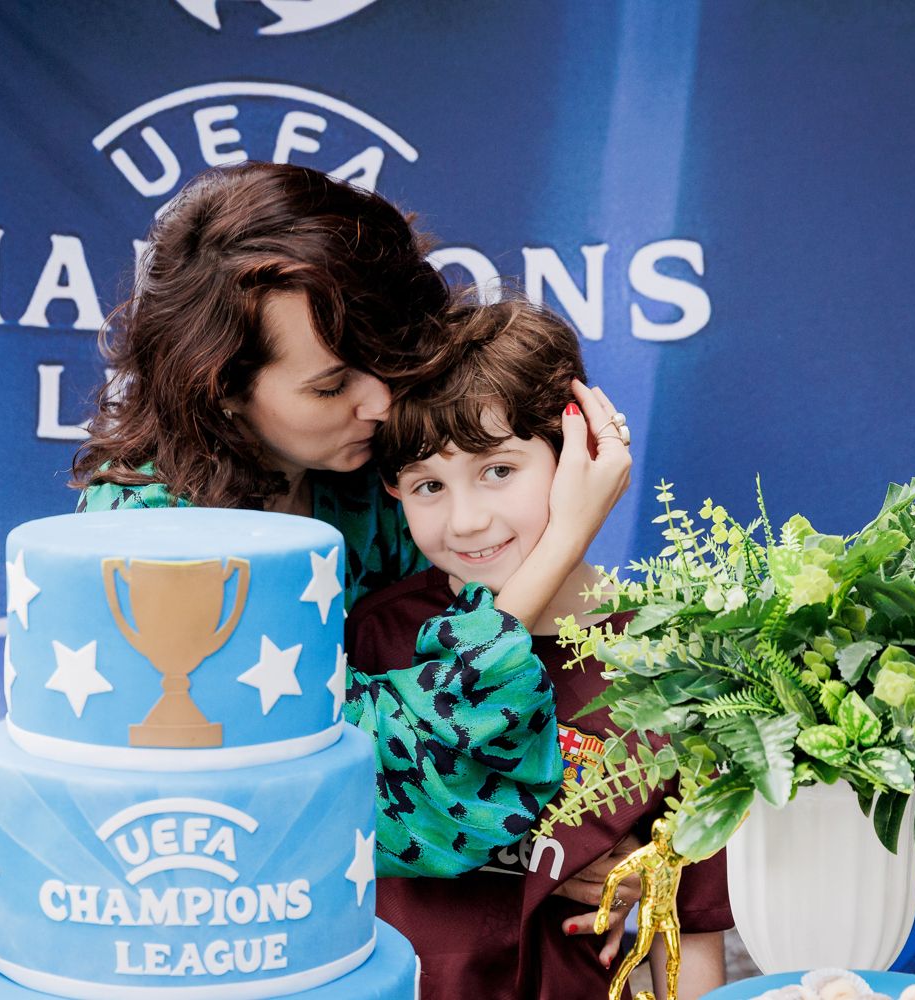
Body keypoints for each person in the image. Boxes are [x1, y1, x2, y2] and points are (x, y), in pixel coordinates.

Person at [72, 162, 631, 877]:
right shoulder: (145, 541)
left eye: (382, 358)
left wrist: (599, 852)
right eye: (330, 386)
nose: (379, 404)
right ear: (220, 391)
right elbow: (388, 799)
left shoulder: (378, 455)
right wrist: (565, 538)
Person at [348, 296, 730, 999]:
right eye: (429, 484)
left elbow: (691, 934)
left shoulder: (672, 657)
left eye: (499, 470)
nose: (466, 520)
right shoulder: (376, 637)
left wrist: (649, 881)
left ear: (578, 453)